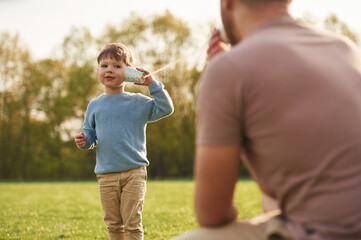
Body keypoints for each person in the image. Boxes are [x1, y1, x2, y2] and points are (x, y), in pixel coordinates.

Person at [174, 0, 361, 239]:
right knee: (270, 199)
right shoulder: (345, 47)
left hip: (331, 233)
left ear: (227, 3)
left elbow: (213, 213)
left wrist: (224, 76)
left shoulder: (227, 70)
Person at [75, 43, 174, 240]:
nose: (109, 69)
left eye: (117, 66)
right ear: (98, 70)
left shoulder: (138, 102)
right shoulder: (94, 105)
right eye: (104, 66)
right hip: (106, 175)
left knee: (132, 224)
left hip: (134, 173)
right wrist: (85, 140)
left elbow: (166, 108)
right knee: (113, 225)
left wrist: (152, 85)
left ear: (129, 72)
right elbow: (90, 133)